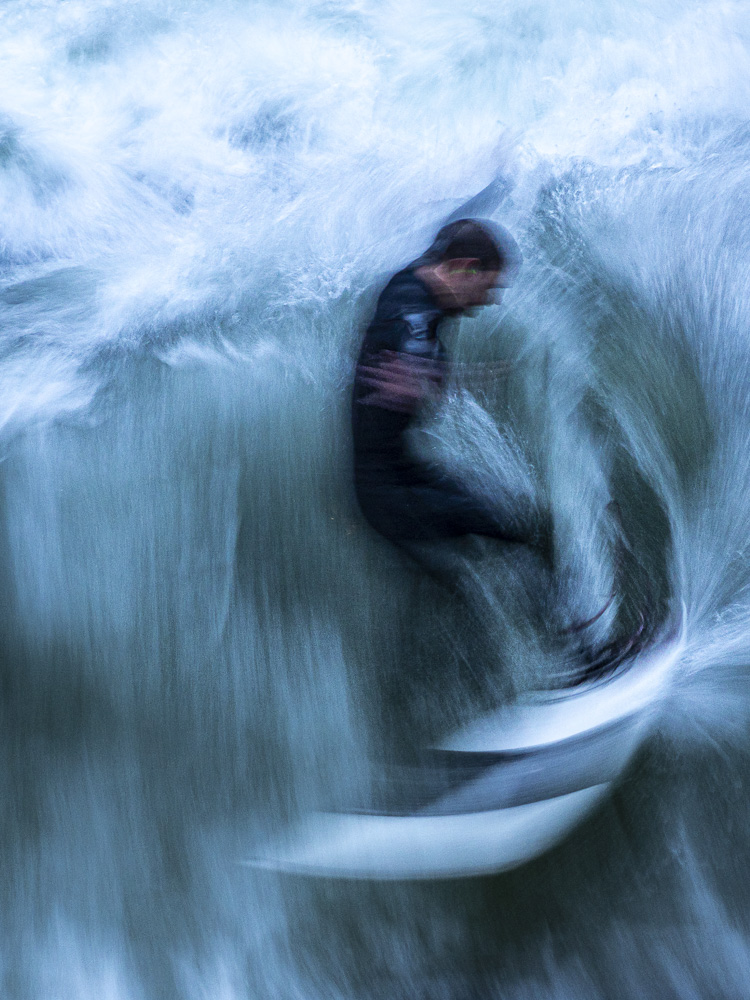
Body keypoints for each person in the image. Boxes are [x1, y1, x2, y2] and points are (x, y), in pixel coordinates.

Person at [351, 218, 550, 573]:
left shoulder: (412, 279)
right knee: (508, 523)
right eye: (488, 287)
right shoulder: (413, 318)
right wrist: (424, 377)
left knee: (503, 511)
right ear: (464, 268)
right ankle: (578, 602)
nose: (490, 300)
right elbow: (409, 345)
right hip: (389, 498)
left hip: (404, 473)